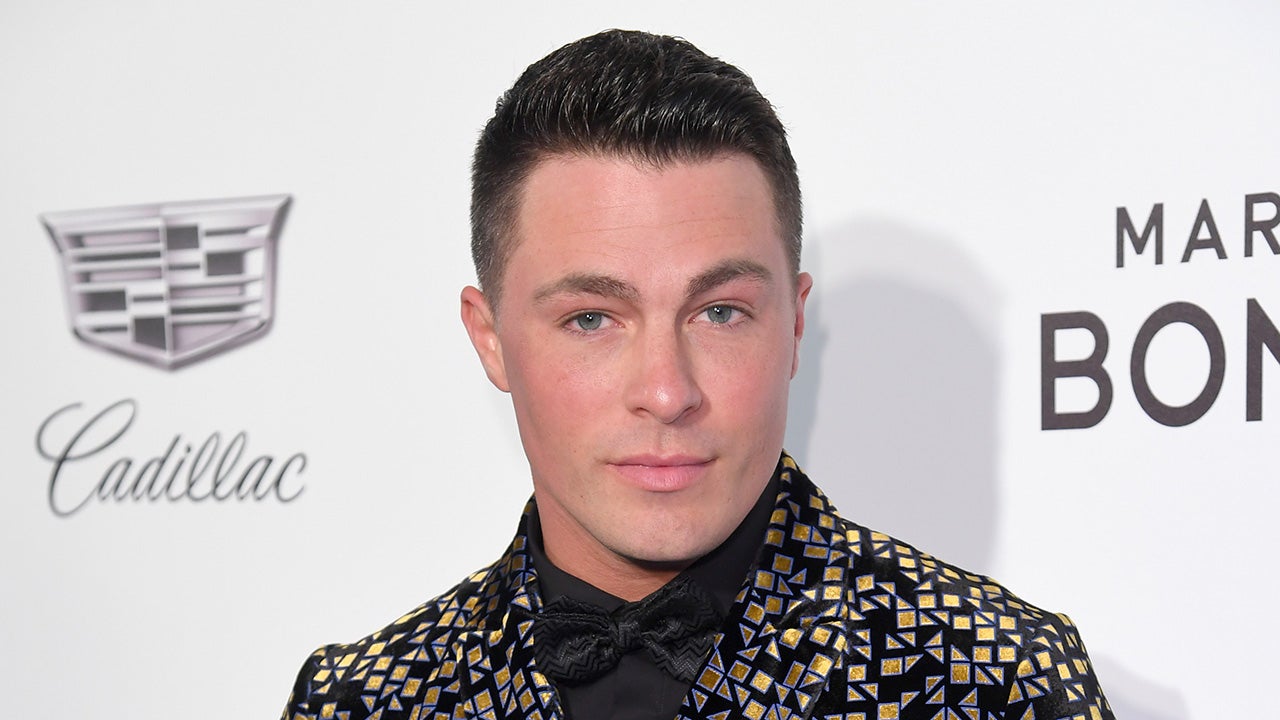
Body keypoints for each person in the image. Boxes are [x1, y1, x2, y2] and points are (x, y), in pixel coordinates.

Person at [283, 29, 1113, 720]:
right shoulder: (358, 701)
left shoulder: (999, 679)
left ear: (793, 323)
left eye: (719, 312)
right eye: (591, 319)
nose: (667, 391)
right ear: (491, 339)